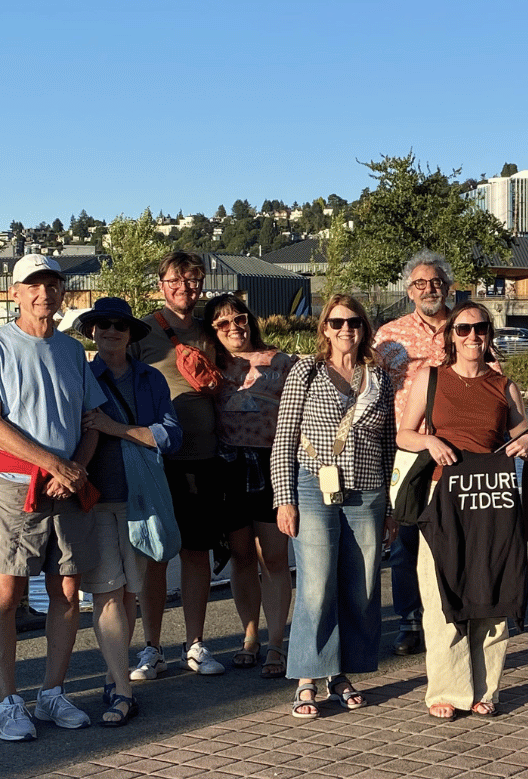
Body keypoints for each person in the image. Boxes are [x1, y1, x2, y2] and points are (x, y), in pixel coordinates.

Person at [0, 254, 108, 741]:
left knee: (67, 592)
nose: (44, 293)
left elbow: (91, 423)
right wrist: (53, 464)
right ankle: (7, 701)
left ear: (62, 292)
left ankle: (52, 692)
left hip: (67, 488)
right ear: (16, 292)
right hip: (13, 489)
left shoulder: (72, 352)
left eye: (52, 284)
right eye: (33, 285)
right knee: (6, 595)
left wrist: (75, 470)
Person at [395, 301, 528, 717]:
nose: (472, 337)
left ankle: (485, 689)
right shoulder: (431, 379)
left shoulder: (505, 385)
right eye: (463, 329)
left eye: (480, 329)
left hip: (492, 500)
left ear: (490, 335)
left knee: (492, 590)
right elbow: (405, 434)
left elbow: (525, 438)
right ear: (451, 336)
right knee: (442, 592)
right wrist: (429, 441)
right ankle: (447, 690)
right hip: (442, 500)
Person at [272, 294, 396, 719]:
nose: (347, 330)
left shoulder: (378, 377)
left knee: (361, 585)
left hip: (368, 490)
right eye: (338, 322)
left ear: (364, 328)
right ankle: (308, 676)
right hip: (312, 486)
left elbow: (388, 445)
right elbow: (284, 439)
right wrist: (283, 498)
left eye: (355, 323)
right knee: (316, 584)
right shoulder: (305, 371)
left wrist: (391, 508)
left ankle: (342, 672)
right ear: (325, 327)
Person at [130, 251, 237, 679]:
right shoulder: (143, 332)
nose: (185, 289)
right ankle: (152, 647)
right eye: (176, 281)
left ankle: (195, 644)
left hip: (204, 456)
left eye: (193, 282)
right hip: (158, 457)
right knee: (156, 555)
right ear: (161, 284)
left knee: (197, 552)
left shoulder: (210, 331)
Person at [80, 297, 183, 727]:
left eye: (119, 325)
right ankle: (119, 687)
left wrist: (117, 429)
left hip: (140, 498)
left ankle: (114, 676)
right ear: (92, 331)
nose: (110, 331)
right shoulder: (83, 376)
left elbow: (171, 436)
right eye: (102, 324)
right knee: (107, 592)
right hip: (97, 497)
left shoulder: (151, 379)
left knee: (128, 593)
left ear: (130, 334)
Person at [372, 250, 458, 657]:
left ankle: (454, 612)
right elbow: (368, 389)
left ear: (448, 286)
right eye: (420, 283)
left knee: (455, 536)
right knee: (406, 538)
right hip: (406, 447)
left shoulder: (467, 327)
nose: (429, 289)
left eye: (436, 282)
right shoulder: (389, 336)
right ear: (408, 291)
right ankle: (409, 619)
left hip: (459, 451)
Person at [206, 293, 296, 679]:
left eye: (239, 319)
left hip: (270, 464)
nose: (233, 328)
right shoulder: (210, 366)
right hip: (227, 465)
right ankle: (249, 636)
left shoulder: (281, 362)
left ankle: (276, 641)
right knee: (241, 555)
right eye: (221, 324)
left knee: (273, 557)